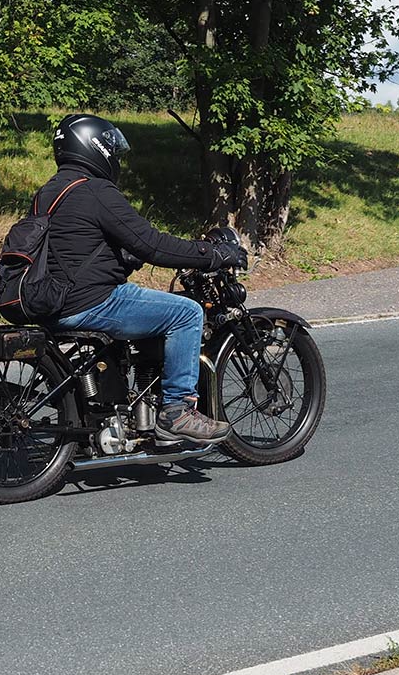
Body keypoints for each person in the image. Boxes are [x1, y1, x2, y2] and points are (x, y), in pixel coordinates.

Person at [37, 113, 247, 444]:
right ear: (95, 148)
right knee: (186, 312)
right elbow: (153, 245)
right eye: (113, 151)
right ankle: (177, 411)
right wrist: (213, 254)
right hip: (90, 301)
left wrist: (121, 258)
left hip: (52, 301)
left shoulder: (50, 192)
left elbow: (75, 248)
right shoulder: (96, 190)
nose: (116, 159)